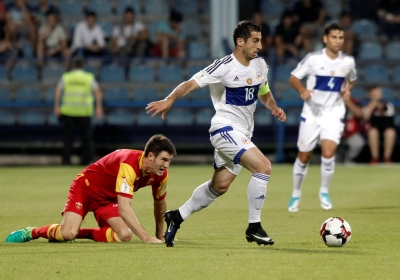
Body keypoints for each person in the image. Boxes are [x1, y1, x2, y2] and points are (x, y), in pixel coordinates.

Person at [146, 21, 286, 247]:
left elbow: (263, 91)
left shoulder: (260, 65)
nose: (260, 45)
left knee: (219, 186)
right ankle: (254, 226)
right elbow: (190, 84)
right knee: (263, 167)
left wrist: (274, 107)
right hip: (224, 129)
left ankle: (177, 216)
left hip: (243, 134)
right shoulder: (223, 66)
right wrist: (169, 99)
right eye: (255, 40)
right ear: (240, 42)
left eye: (260, 40)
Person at [5, 134, 177, 244]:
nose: (166, 165)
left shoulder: (161, 174)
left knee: (124, 235)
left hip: (108, 200)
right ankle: (33, 232)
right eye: (163, 159)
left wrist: (160, 234)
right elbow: (125, 208)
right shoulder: (129, 165)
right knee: (67, 234)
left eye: (169, 160)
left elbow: (159, 204)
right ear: (151, 156)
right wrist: (146, 238)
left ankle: (78, 233)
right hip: (85, 189)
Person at [287, 23, 357, 212]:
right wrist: (302, 90)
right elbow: (293, 78)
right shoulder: (313, 59)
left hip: (334, 113)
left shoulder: (347, 61)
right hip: (312, 114)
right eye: (334, 37)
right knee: (304, 156)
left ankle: (324, 191)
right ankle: (296, 193)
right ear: (325, 39)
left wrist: (347, 90)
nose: (337, 41)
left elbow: (352, 78)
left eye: (340, 38)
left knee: (328, 153)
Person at [54, 57, 103, 165]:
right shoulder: (88, 77)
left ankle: (66, 161)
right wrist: (99, 107)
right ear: (83, 66)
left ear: (73, 66)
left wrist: (57, 106)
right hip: (84, 112)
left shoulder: (66, 77)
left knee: (68, 139)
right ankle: (88, 160)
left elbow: (58, 90)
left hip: (68, 111)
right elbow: (97, 91)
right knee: (87, 139)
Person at [363, 86, 397, 165]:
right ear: (370, 94)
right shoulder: (367, 105)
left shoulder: (388, 104)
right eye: (375, 93)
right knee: (372, 132)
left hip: (386, 128)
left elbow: (387, 112)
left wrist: (379, 105)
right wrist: (372, 105)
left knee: (390, 132)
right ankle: (375, 158)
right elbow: (365, 117)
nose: (377, 94)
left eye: (379, 93)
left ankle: (387, 157)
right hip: (373, 129)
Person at [342, 97, 365, 164]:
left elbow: (359, 114)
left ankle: (349, 159)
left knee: (358, 142)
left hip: (350, 132)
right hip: (333, 131)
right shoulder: (332, 99)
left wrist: (348, 103)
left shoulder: (354, 101)